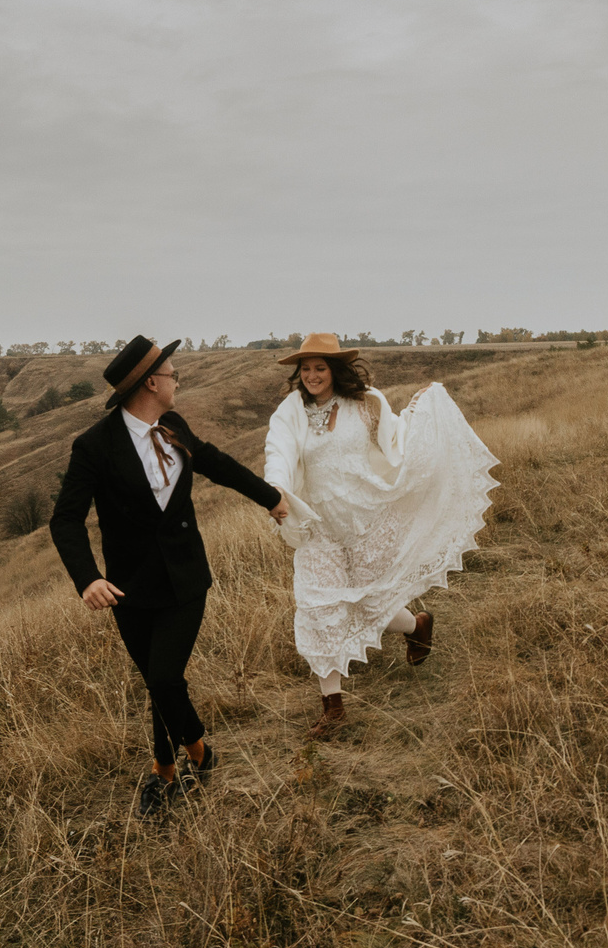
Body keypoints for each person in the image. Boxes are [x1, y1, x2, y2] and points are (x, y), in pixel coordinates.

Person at [50, 336, 288, 818]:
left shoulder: (173, 425)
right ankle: (181, 757)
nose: (179, 379)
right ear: (152, 383)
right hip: (129, 589)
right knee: (160, 683)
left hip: (184, 579)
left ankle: (182, 761)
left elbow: (216, 462)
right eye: (173, 373)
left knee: (163, 676)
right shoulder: (94, 445)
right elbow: (65, 519)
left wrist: (270, 498)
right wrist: (87, 578)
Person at [262, 333, 498, 737]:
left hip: (367, 516)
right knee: (318, 608)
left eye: (320, 368)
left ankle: (417, 626)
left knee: (371, 601)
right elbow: (278, 452)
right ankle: (333, 710)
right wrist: (276, 490)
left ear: (335, 369)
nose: (313, 375)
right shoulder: (291, 411)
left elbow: (398, 442)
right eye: (306, 369)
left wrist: (424, 410)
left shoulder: (366, 403)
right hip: (319, 526)